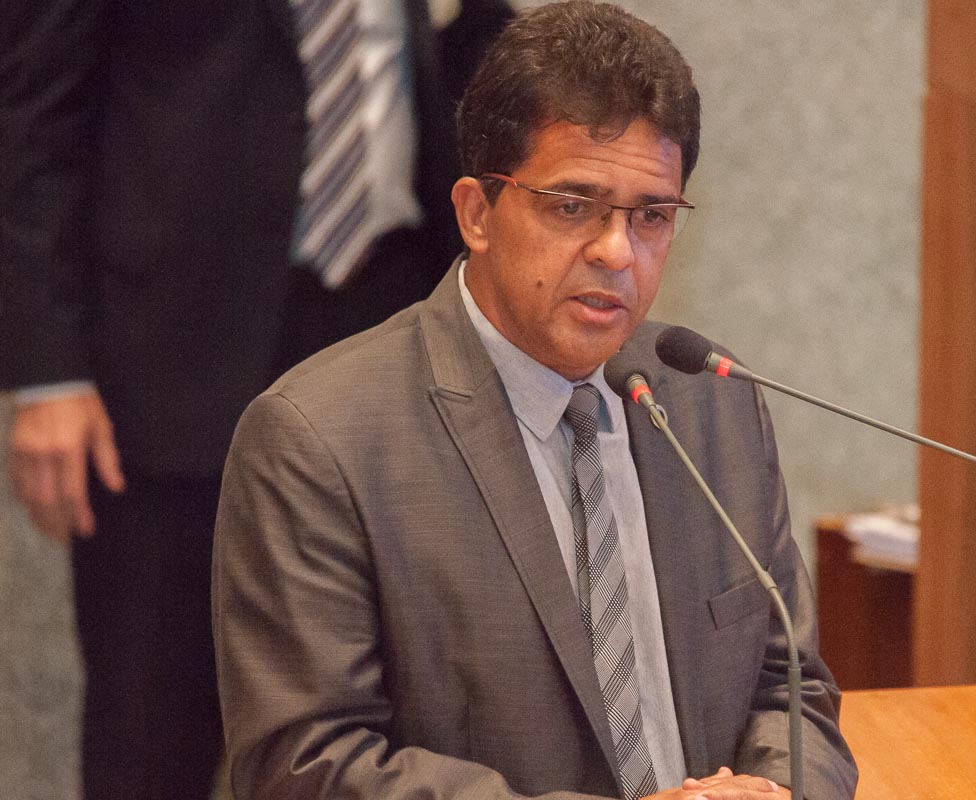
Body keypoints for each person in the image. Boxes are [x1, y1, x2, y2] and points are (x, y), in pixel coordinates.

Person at [213, 2, 858, 798]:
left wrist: (777, 792)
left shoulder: (709, 403)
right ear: (476, 213)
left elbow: (791, 689)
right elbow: (304, 763)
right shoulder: (321, 440)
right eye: (572, 206)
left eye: (652, 216)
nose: (616, 251)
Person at [0, 1, 511, 797]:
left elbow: (489, 90)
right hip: (172, 355)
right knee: (151, 731)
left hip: (391, 316)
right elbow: (31, 121)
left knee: (391, 730)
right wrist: (48, 375)